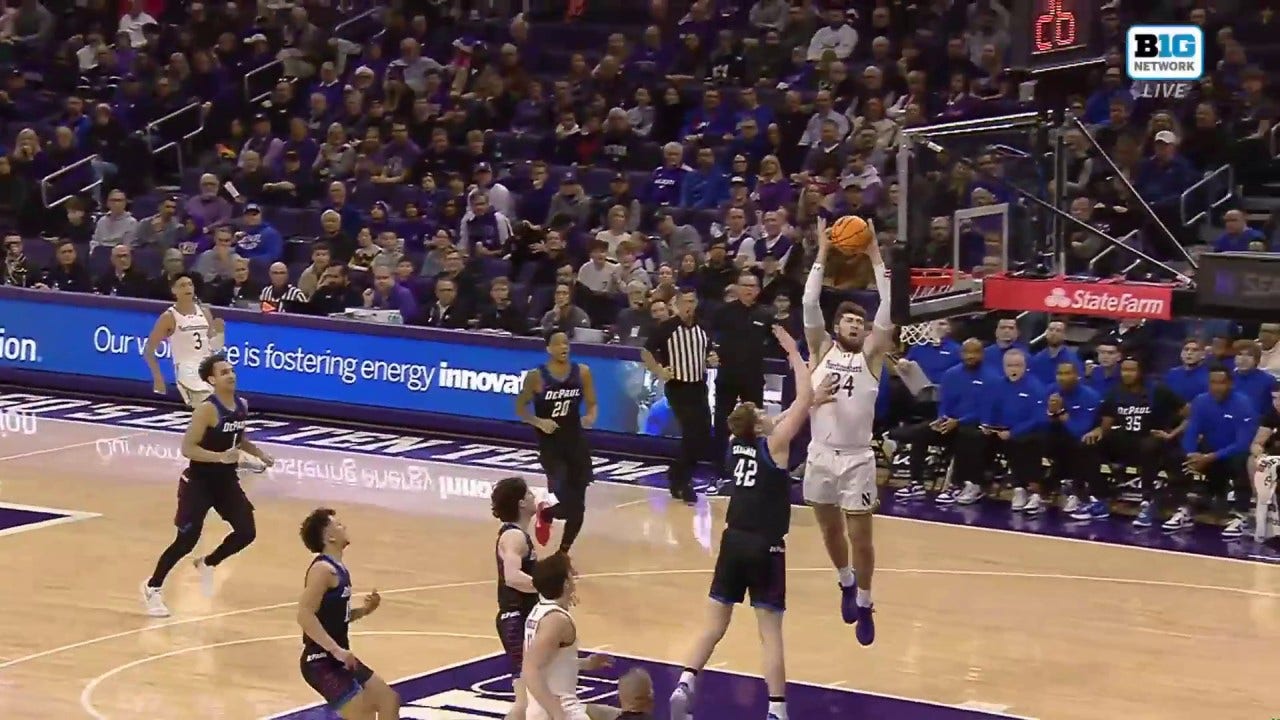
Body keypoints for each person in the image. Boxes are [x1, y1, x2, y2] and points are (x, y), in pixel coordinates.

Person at [669, 326, 816, 720]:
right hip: (765, 545)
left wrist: (812, 399)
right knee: (770, 633)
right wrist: (794, 354)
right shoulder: (776, 446)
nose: (769, 415)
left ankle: (686, 680)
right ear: (758, 424)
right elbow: (801, 400)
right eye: (763, 412)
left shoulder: (737, 443)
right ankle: (777, 710)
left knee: (714, 623)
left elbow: (783, 418)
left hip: (732, 540)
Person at [799, 216, 893, 645]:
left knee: (862, 538)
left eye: (862, 322)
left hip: (857, 457)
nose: (857, 326)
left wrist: (874, 256)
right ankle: (845, 582)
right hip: (819, 453)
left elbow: (888, 309)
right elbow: (808, 305)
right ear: (837, 328)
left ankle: (868, 602)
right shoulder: (819, 349)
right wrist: (822, 251)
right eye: (850, 322)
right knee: (829, 530)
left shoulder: (872, 357)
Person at [141, 354, 275, 617]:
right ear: (212, 380)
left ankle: (208, 563)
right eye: (224, 372)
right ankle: (152, 587)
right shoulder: (207, 409)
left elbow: (239, 437)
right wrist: (218, 457)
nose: (231, 375)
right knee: (185, 541)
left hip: (225, 481)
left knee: (246, 531)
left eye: (232, 370)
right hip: (199, 483)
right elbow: (187, 447)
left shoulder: (241, 404)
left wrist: (260, 453)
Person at [142, 272, 265, 472]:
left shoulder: (204, 311)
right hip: (188, 373)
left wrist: (221, 333)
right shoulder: (169, 317)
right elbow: (149, 350)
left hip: (209, 369)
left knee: (228, 415)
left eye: (189, 284)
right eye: (182, 285)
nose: (187, 288)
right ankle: (231, 458)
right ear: (174, 291)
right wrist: (158, 376)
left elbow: (214, 346)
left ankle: (233, 457)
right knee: (217, 414)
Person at [296, 508, 401, 719]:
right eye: (338, 524)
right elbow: (304, 615)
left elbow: (334, 617)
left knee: (388, 699)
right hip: (320, 662)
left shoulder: (339, 568)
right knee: (364, 715)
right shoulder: (323, 570)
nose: (344, 527)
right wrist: (336, 650)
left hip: (337, 657)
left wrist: (364, 611)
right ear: (330, 536)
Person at [515, 331, 599, 552]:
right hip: (552, 447)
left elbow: (592, 403)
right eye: (558, 343)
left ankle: (562, 552)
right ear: (548, 349)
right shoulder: (536, 376)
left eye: (566, 343)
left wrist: (590, 416)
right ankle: (547, 512)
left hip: (576, 443)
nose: (564, 347)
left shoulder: (582, 372)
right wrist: (538, 421)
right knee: (569, 502)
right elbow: (520, 408)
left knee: (578, 510)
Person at [1084, 357, 1187, 529]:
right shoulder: (1115, 392)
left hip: (1154, 442)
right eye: (1124, 370)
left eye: (1131, 370)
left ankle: (1147, 502)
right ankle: (1101, 498)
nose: (1127, 374)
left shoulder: (1158, 390)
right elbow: (1106, 423)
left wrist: (1172, 433)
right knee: (1090, 444)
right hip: (1127, 440)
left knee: (1149, 446)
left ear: (1140, 372)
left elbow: (1190, 414)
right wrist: (1098, 431)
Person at [642, 288, 715, 503]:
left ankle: (676, 473)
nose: (689, 306)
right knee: (692, 431)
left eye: (692, 301)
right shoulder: (666, 328)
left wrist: (712, 358)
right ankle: (683, 481)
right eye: (685, 302)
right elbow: (645, 351)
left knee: (701, 433)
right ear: (677, 304)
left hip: (699, 385)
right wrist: (658, 370)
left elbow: (709, 351)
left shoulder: (705, 326)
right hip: (678, 386)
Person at [522, 551, 613, 720]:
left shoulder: (539, 611)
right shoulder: (557, 621)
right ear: (565, 584)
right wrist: (556, 713)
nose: (575, 576)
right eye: (571, 573)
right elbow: (530, 668)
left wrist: (586, 663)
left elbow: (548, 661)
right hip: (559, 710)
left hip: (544, 708)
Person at [1177, 366, 1257, 538]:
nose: (1216, 387)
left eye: (1221, 383)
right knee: (1179, 457)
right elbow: (1192, 431)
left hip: (1233, 453)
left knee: (1243, 459)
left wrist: (1209, 457)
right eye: (1213, 382)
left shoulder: (1243, 403)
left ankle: (1242, 515)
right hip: (1210, 453)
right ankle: (1188, 507)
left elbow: (1242, 443)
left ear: (1230, 383)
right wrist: (1191, 454)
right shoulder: (1200, 401)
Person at [491, 477, 539, 720]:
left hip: (521, 617)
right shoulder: (514, 537)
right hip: (516, 619)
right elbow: (512, 576)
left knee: (532, 697)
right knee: (526, 701)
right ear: (521, 503)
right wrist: (546, 586)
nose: (534, 497)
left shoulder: (519, 535)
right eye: (530, 493)